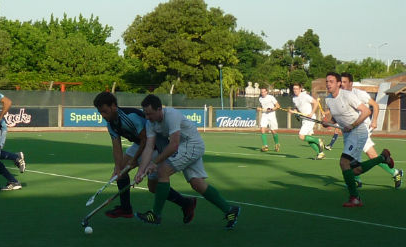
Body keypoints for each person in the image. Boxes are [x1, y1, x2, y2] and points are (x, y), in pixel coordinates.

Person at [134, 94, 240, 229]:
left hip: (192, 144)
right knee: (197, 183)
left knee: (162, 171)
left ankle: (156, 215)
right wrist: (141, 171)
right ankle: (230, 210)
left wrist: (155, 163)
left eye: (150, 114)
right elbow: (149, 147)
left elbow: (173, 145)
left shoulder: (171, 115)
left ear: (160, 109)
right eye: (145, 114)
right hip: (185, 147)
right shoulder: (150, 123)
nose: (147, 117)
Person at [93, 92, 197, 223]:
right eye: (100, 112)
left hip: (153, 146)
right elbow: (116, 146)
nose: (103, 115)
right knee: (121, 173)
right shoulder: (111, 123)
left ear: (114, 106)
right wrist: (117, 167)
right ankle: (126, 209)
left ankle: (186, 203)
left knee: (153, 188)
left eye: (105, 111)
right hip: (139, 144)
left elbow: (145, 139)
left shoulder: (129, 117)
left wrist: (134, 160)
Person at [322, 72, 395, 207]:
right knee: (355, 170)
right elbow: (335, 117)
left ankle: (355, 198)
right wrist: (327, 122)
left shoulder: (348, 96)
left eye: (331, 81)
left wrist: (353, 125)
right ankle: (382, 158)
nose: (328, 84)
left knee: (344, 163)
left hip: (358, 131)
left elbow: (367, 111)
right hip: (348, 134)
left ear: (338, 84)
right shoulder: (328, 99)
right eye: (327, 81)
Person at [339, 72, 403, 189]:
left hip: (362, 129)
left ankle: (394, 172)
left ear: (351, 83)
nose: (342, 84)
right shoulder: (341, 96)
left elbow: (375, 105)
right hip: (350, 131)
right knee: (364, 156)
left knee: (360, 156)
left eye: (344, 82)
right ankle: (393, 172)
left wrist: (374, 121)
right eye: (340, 82)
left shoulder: (359, 93)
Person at [291, 83, 325, 160]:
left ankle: (318, 140)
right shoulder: (294, 98)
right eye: (294, 89)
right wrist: (294, 112)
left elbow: (316, 102)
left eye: (296, 89)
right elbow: (296, 108)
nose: (295, 90)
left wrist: (312, 113)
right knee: (309, 139)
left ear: (300, 89)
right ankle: (320, 153)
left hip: (310, 118)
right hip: (304, 119)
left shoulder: (305, 96)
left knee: (301, 136)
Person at [257, 86, 281, 152]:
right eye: (261, 92)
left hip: (272, 115)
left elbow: (278, 106)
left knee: (273, 131)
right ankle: (265, 146)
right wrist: (259, 108)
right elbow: (261, 107)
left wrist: (272, 109)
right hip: (264, 115)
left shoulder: (271, 97)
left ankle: (277, 144)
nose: (263, 93)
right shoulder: (260, 99)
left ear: (266, 92)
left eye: (264, 92)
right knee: (262, 129)